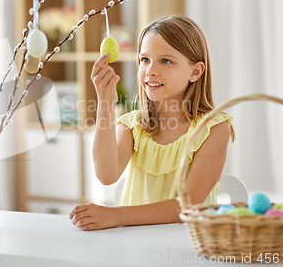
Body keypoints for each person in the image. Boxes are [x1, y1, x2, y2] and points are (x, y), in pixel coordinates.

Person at [69, 15, 233, 231]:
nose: (150, 70)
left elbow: (187, 205)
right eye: (144, 60)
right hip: (134, 245)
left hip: (189, 247)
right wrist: (105, 102)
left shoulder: (214, 129)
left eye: (165, 61)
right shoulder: (132, 125)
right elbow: (106, 175)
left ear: (196, 71)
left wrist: (114, 216)